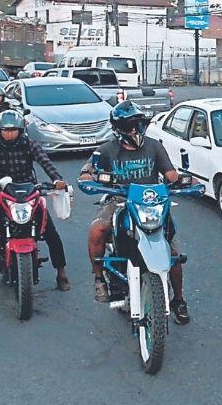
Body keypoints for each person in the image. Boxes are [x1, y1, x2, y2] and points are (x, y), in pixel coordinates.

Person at [79, 101, 189, 323]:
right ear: (118, 128)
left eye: (138, 125)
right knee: (97, 230)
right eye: (129, 126)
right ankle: (99, 278)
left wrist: (185, 181)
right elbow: (87, 171)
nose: (134, 130)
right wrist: (88, 177)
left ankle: (178, 299)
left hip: (152, 203)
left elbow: (170, 174)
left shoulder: (154, 146)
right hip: (119, 200)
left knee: (173, 254)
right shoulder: (106, 150)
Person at [0, 110, 70, 291]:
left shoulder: (30, 144)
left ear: (20, 130)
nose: (9, 134)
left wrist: (57, 180)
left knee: (50, 232)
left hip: (28, 192)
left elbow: (45, 162)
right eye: (5, 130)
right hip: (0, 192)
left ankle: (61, 272)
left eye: (13, 130)